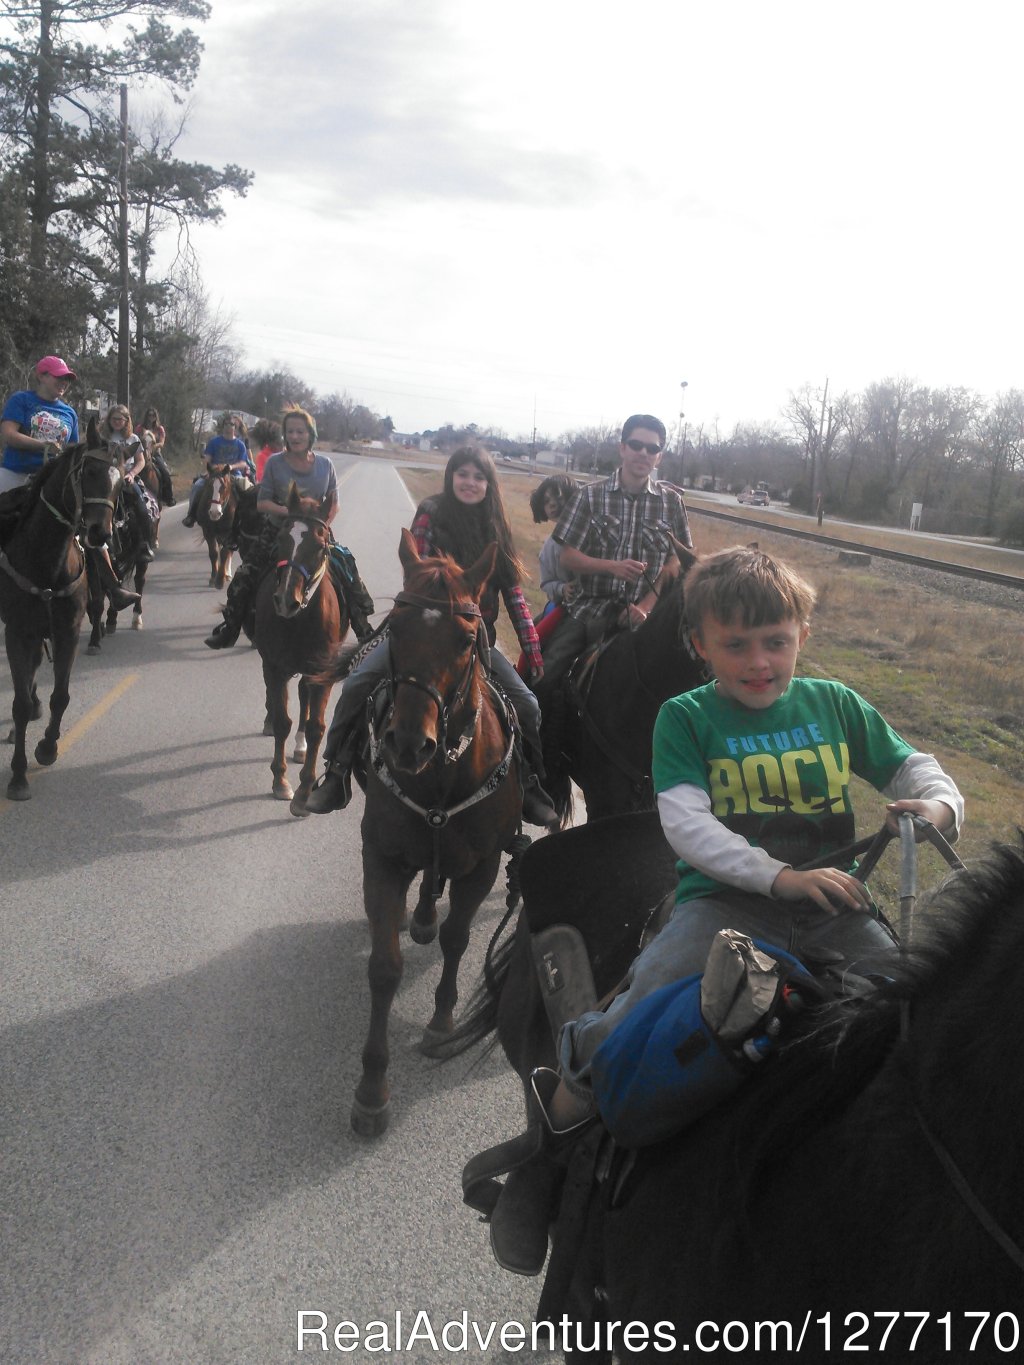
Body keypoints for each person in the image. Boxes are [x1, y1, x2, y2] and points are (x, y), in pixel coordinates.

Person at [486, 545, 964, 1274]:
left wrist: (935, 803)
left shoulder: (835, 704)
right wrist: (778, 877)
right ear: (699, 643)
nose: (759, 660)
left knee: (921, 1025)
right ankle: (568, 1094)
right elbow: (687, 824)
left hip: (835, 906)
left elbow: (914, 765)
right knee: (649, 989)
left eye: (775, 640)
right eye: (735, 644)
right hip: (724, 905)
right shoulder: (685, 717)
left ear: (801, 635)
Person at [304, 447, 558, 829]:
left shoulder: (496, 525)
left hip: (471, 638)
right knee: (357, 683)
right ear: (451, 477)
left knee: (527, 705)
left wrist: (531, 649)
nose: (470, 482)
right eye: (463, 474)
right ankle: (336, 771)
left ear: (489, 484)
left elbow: (514, 594)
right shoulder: (431, 513)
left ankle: (531, 783)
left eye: (478, 476)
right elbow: (418, 570)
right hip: (420, 630)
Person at [531, 415, 693, 715]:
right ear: (622, 448)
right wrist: (611, 567)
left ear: (659, 456)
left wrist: (645, 606)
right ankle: (534, 752)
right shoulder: (589, 496)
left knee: (689, 684)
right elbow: (567, 555)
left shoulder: (671, 503)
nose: (643, 453)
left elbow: (677, 560)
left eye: (652, 448)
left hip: (648, 615)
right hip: (590, 608)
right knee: (544, 677)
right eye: (636, 445)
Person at [204, 406, 374, 648]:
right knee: (245, 575)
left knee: (346, 568)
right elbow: (263, 503)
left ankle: (362, 627)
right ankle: (230, 627)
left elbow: (334, 502)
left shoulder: (326, 465)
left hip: (315, 531)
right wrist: (292, 514)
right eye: (291, 431)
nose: (295, 436)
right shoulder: (275, 463)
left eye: (300, 432)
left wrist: (321, 525)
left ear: (310, 434)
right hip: (279, 530)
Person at [0, 356, 138, 610]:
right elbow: (8, 434)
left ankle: (113, 586)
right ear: (41, 376)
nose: (63, 382)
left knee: (88, 523)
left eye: (66, 379)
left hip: (54, 480)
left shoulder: (69, 412)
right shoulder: (22, 400)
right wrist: (41, 445)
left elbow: (73, 451)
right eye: (57, 376)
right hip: (17, 472)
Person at [514, 474, 579, 679]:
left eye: (558, 499)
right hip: (563, 607)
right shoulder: (548, 549)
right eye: (547, 502)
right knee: (532, 657)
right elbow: (546, 583)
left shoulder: (594, 532)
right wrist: (562, 589)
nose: (553, 505)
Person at [101, 405, 158, 561]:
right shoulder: (104, 437)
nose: (117, 422)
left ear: (127, 421)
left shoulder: (133, 438)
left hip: (126, 477)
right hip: (106, 477)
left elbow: (141, 461)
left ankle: (145, 543)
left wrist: (132, 474)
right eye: (114, 419)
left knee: (142, 506)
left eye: (121, 419)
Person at [182, 413, 253, 527]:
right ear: (223, 426)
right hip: (215, 473)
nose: (228, 426)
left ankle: (249, 520)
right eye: (226, 424)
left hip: (234, 474)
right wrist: (207, 471)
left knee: (248, 489)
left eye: (231, 424)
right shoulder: (214, 442)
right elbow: (207, 459)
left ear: (235, 427)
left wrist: (231, 467)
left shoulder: (240, 445)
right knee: (197, 486)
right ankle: (191, 515)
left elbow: (243, 463)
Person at [135, 405, 175, 505]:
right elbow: (135, 439)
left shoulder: (159, 429)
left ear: (156, 417)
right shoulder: (140, 428)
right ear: (146, 416)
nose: (151, 417)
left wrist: (152, 447)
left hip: (155, 454)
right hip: (141, 453)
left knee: (165, 473)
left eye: (153, 415)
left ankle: (168, 497)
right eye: (149, 415)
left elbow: (161, 443)